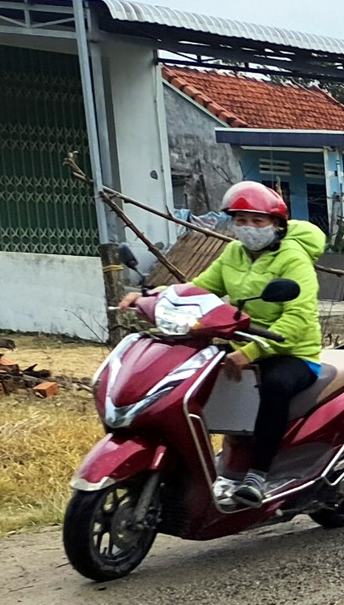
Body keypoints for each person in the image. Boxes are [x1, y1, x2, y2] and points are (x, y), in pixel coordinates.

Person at [119, 182, 326, 507]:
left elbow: (298, 319)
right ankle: (206, 464)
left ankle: (258, 475)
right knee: (192, 378)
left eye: (257, 221)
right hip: (243, 344)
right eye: (241, 221)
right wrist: (150, 297)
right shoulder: (233, 253)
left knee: (274, 387)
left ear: (277, 225)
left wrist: (252, 352)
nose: (248, 228)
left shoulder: (294, 259)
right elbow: (199, 289)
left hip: (291, 352)